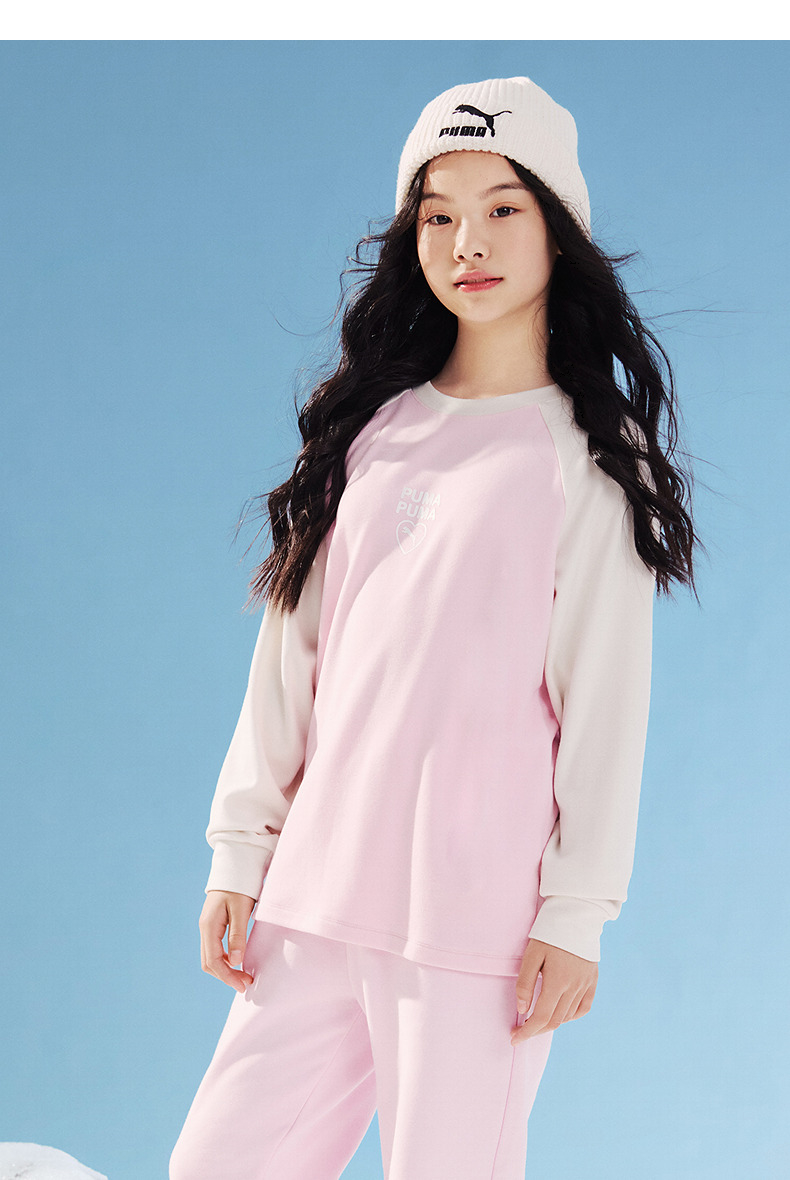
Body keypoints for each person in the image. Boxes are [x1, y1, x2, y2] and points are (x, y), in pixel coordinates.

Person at [169, 76, 698, 1180]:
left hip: (477, 926)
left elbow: (605, 704)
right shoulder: (372, 431)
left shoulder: (587, 460)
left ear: (559, 228)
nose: (469, 242)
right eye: (438, 214)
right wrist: (241, 847)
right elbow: (292, 657)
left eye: (503, 207)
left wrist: (575, 911)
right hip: (315, 894)